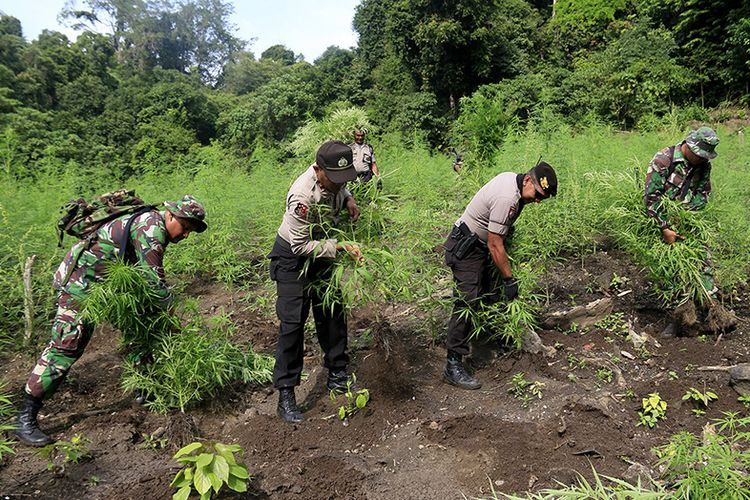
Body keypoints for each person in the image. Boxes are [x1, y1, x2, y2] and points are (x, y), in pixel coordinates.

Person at [12, 195, 207, 447]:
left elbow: (147, 280)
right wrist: (172, 319)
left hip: (111, 288)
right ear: (170, 215)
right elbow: (155, 284)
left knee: (143, 328)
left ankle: (144, 389)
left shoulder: (154, 225)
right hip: (81, 286)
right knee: (67, 346)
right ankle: (25, 417)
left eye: (191, 230)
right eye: (185, 227)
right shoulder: (150, 228)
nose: (186, 235)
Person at [269, 140, 363, 424]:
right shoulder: (301, 196)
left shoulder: (336, 181)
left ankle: (337, 375)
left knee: (332, 312)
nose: (339, 183)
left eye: (343, 179)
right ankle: (286, 394)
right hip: (293, 257)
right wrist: (341, 247)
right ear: (317, 170)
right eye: (334, 179)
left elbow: (342, 185)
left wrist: (348, 198)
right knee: (293, 324)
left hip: (322, 249)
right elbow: (299, 246)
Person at [443, 162, 558, 390]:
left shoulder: (514, 182)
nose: (537, 201)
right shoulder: (508, 197)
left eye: (541, 199)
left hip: (478, 247)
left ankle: (490, 342)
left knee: (488, 294)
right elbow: (495, 243)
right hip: (466, 249)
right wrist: (509, 279)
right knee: (468, 301)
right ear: (528, 180)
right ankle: (452, 364)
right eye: (537, 194)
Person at [644, 126, 719, 295]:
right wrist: (665, 227)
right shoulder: (663, 160)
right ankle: (676, 300)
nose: (702, 159)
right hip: (662, 219)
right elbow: (651, 197)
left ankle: (707, 297)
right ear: (690, 145)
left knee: (702, 255)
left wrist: (690, 221)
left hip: (688, 217)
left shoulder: (703, 165)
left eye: (705, 157)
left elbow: (702, 193)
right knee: (670, 263)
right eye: (699, 155)